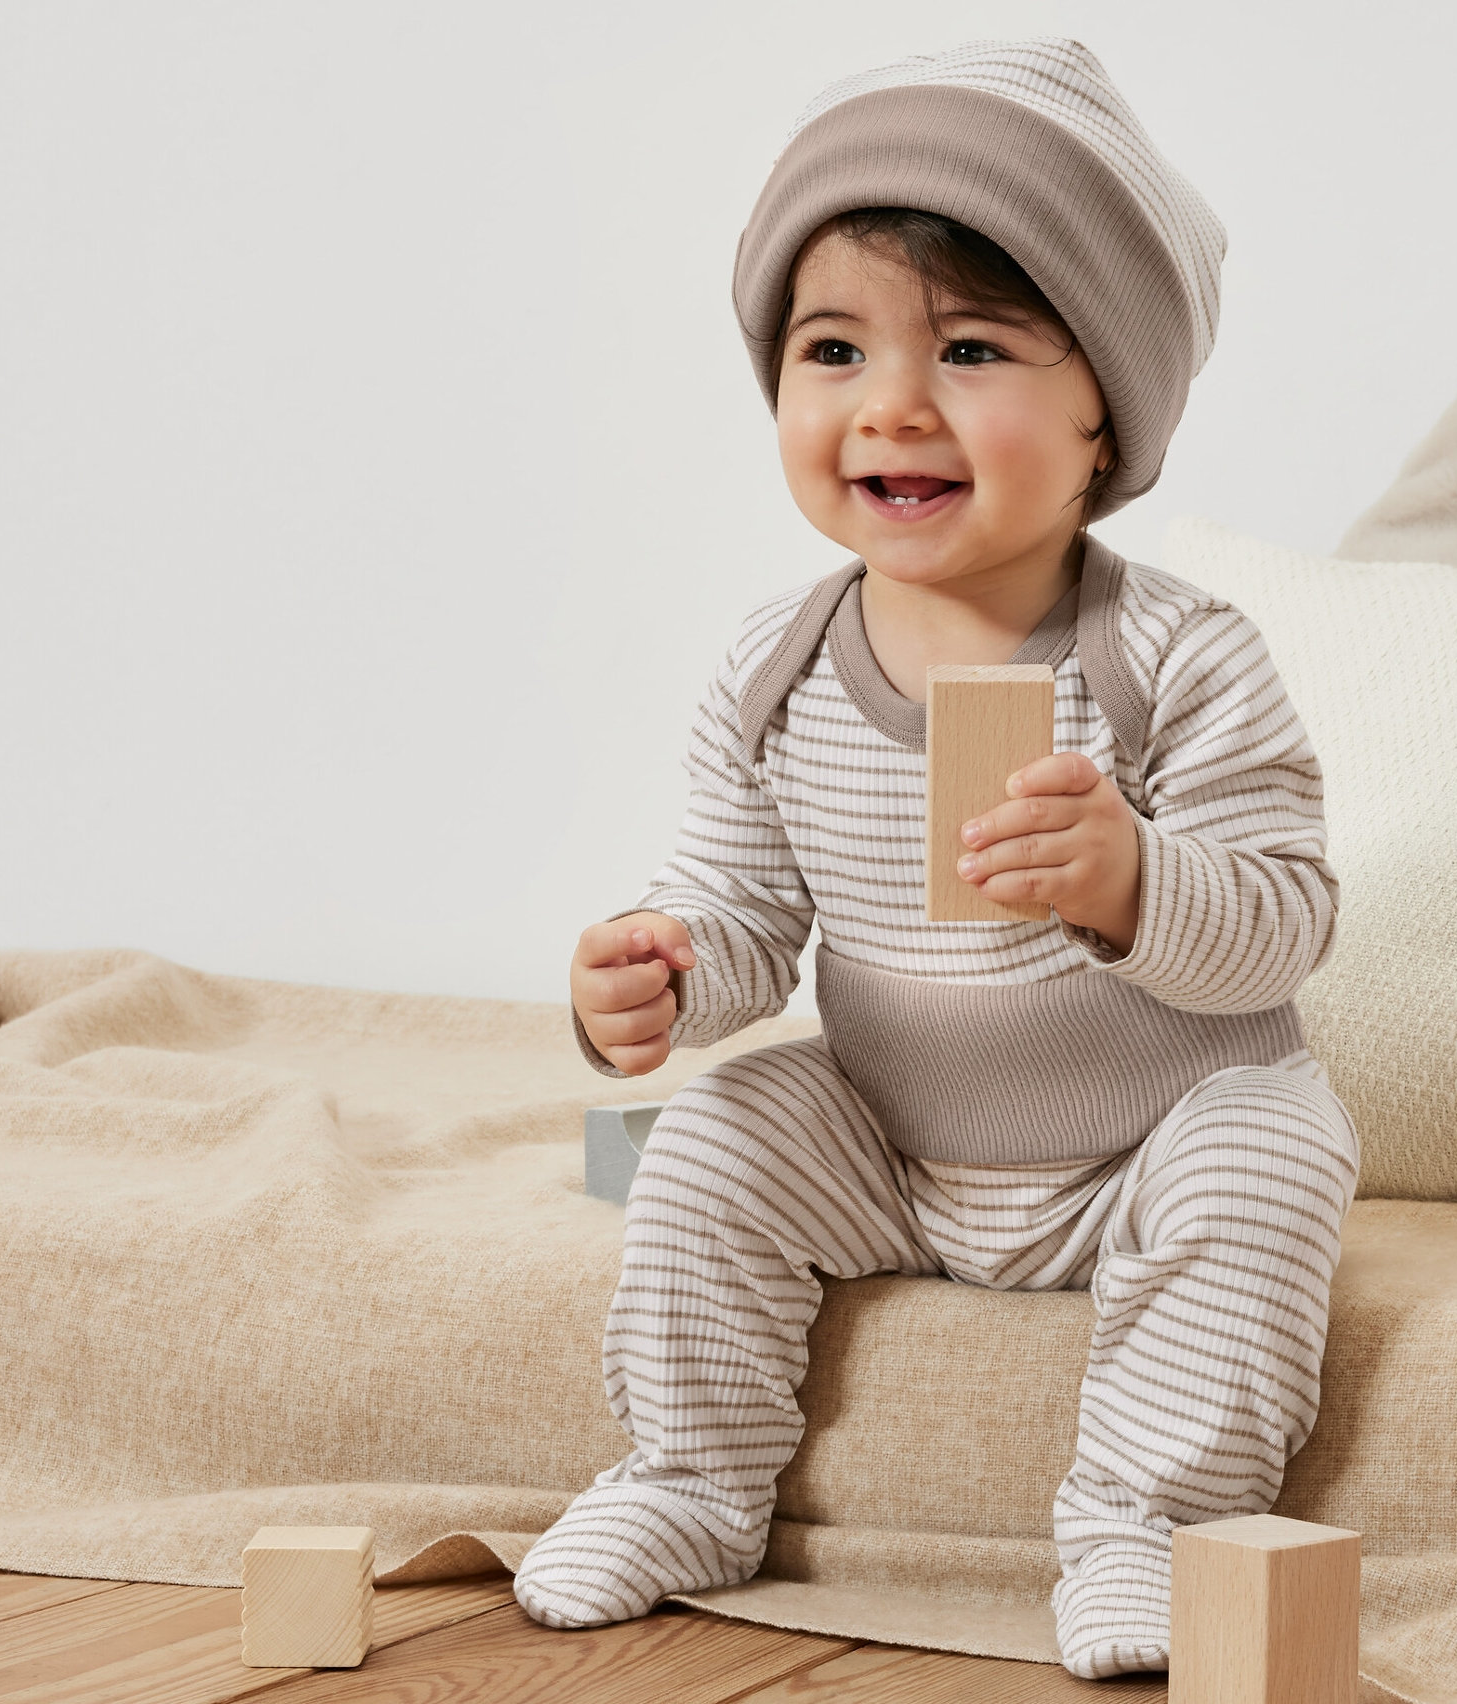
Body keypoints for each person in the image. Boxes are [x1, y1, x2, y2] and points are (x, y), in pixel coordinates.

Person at [515, 37, 1360, 1680]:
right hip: (897, 1140)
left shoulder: (1175, 656)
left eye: (970, 349)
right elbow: (744, 910)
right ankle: (688, 1480)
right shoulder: (777, 666)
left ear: (1105, 418)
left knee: (1272, 1149)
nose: (892, 403)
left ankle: (1148, 1527)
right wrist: (661, 969)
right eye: (834, 349)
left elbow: (1285, 922)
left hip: (1145, 1133)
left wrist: (1132, 880)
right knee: (712, 1138)